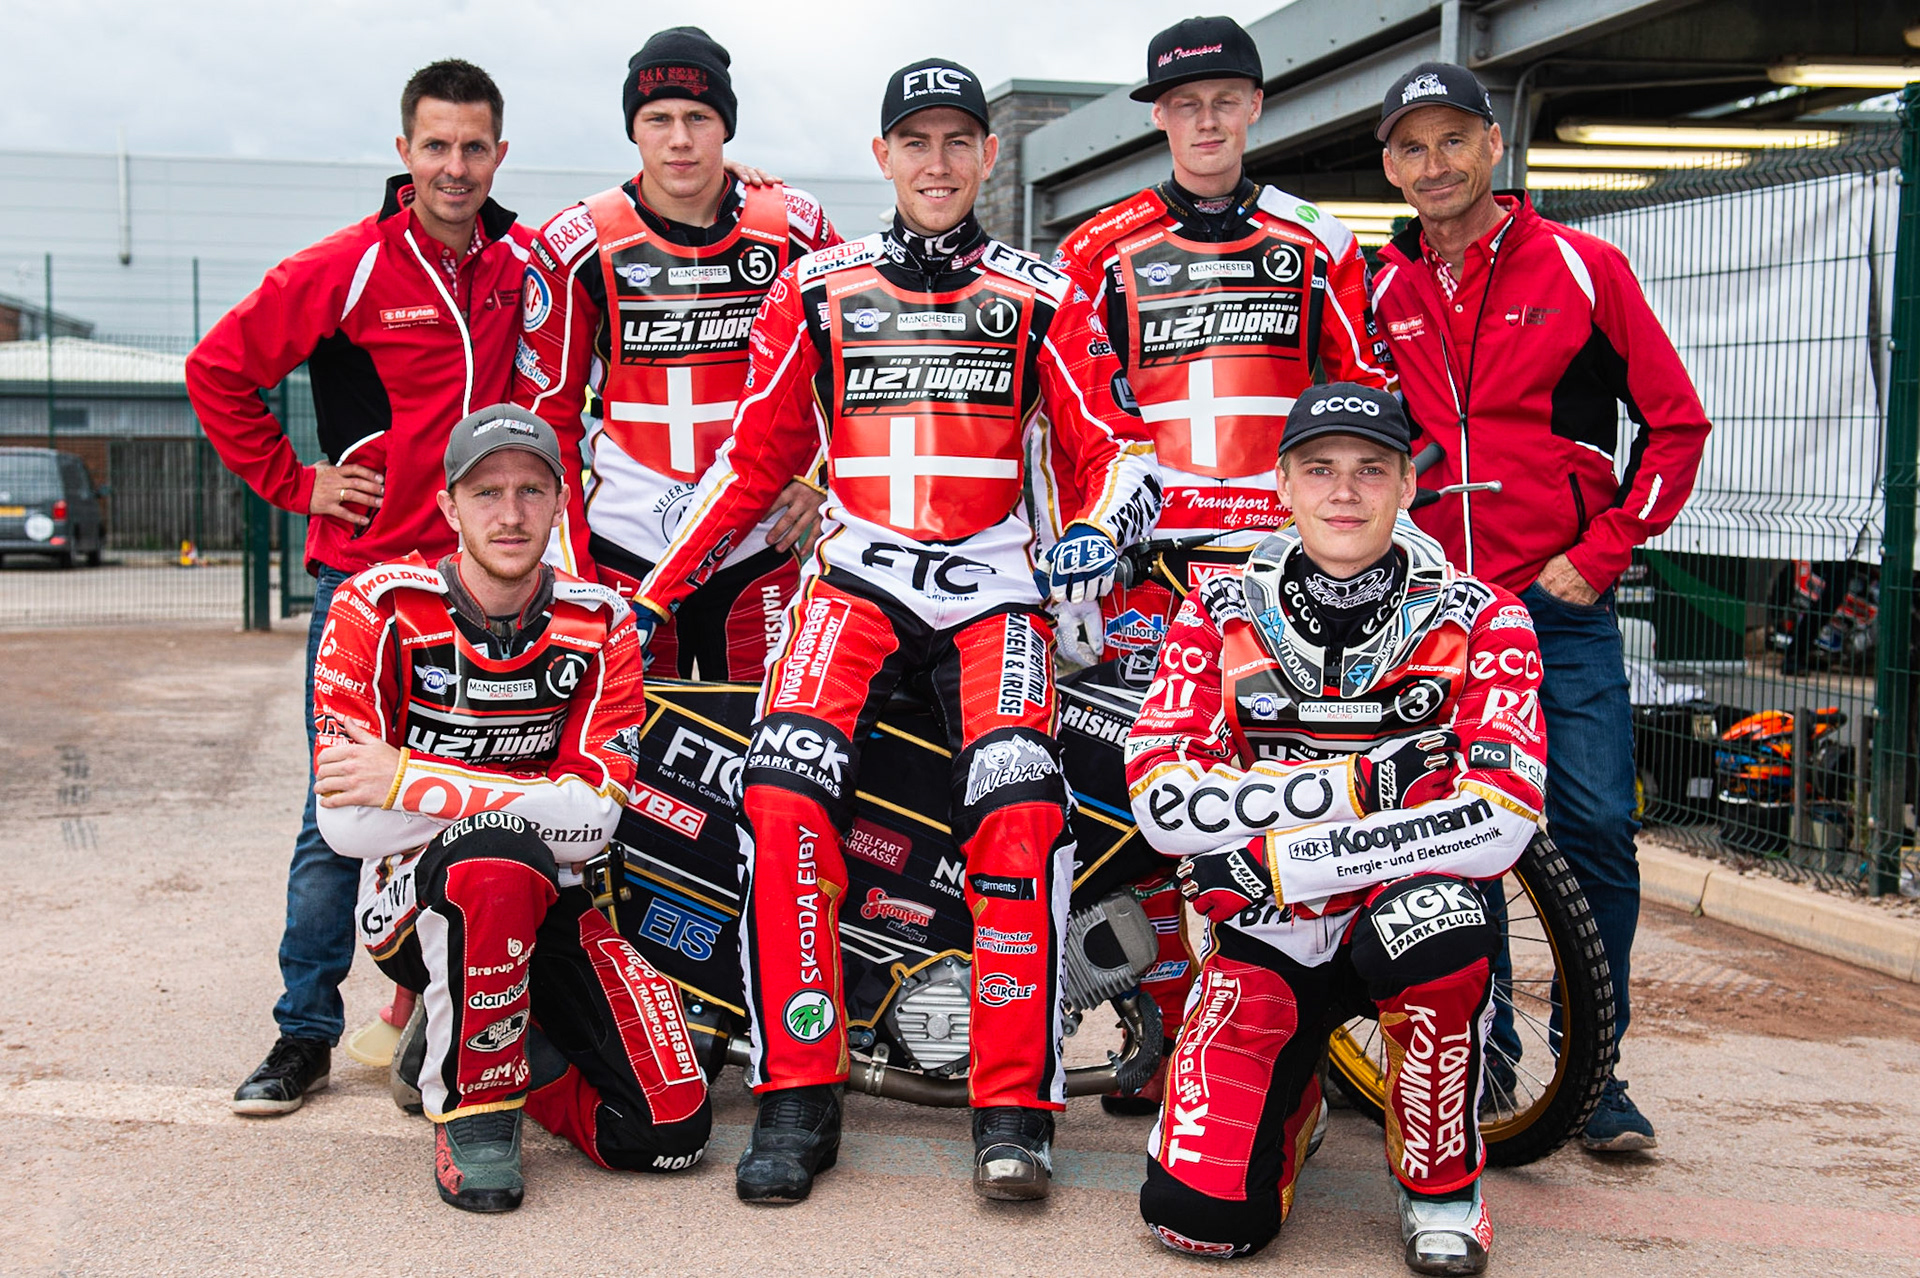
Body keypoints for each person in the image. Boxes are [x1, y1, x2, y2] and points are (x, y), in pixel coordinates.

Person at [632, 57, 1161, 1204]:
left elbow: (1116, 448)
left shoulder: (1040, 295)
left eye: (957, 141)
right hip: (857, 581)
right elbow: (754, 467)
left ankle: (1014, 1111)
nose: (936, 161)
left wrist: (1106, 527)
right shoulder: (817, 288)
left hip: (994, 593)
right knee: (780, 788)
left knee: (1023, 806)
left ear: (986, 157)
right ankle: (797, 1093)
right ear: (883, 158)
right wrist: (653, 597)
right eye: (913, 141)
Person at [1052, 12, 1391, 1119]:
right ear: (1157, 116)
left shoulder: (1318, 241)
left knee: (1312, 797)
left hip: (1292, 573)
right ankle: (1169, 1021)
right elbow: (1079, 410)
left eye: (1225, 100)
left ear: (1255, 106)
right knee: (1143, 800)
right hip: (1152, 573)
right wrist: (1101, 533)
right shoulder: (1098, 246)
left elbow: (1363, 402)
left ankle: (1318, 1016)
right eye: (1183, 104)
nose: (1204, 120)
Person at [1369, 61, 1711, 1153]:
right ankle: (1485, 1058)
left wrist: (1602, 552)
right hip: (1430, 613)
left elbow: (1676, 427)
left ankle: (1595, 1071)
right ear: (1391, 164)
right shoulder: (1379, 291)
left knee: (1597, 829)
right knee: (1448, 840)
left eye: (1453, 141)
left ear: (1494, 149)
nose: (1435, 165)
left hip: (1555, 607)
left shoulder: (1584, 265)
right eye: (1413, 148)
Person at [1126, 383, 1545, 1273]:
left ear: (1406, 487)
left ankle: (1442, 1187)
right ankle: (1299, 1099)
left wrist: (1282, 856)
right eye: (1321, 470)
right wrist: (1371, 783)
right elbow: (1164, 802)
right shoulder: (1216, 606)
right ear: (1282, 484)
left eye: (1371, 470)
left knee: (1437, 932)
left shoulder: (1487, 615)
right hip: (1270, 937)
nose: (1344, 493)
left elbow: (1501, 821)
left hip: (1388, 908)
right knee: (1196, 1222)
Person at [186, 59, 538, 1116]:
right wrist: (299, 483)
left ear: (499, 154)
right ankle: (302, 1035)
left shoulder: (523, 267)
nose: (456, 166)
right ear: (404, 154)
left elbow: (634, 222)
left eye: (475, 146)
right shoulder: (343, 267)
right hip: (369, 587)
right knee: (333, 808)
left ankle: (435, 1002)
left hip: (490, 583)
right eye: (436, 146)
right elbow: (217, 372)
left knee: (471, 795)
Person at [312, 404, 711, 1211]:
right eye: (486, 492)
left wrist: (404, 777)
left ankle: (487, 1037)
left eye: (532, 490)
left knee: (667, 1133)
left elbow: (596, 820)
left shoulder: (601, 622)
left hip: (558, 899)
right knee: (498, 854)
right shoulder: (373, 607)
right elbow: (347, 823)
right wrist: (534, 806)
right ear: (448, 507)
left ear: (561, 503)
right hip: (412, 903)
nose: (511, 512)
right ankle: (474, 1112)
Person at [514, 26, 840, 680]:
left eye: (700, 117)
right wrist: (571, 567)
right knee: (625, 747)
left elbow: (852, 372)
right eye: (657, 119)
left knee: (760, 742)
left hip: (756, 544)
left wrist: (819, 477)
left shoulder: (793, 226)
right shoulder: (577, 241)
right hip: (622, 548)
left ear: (728, 126)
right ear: (634, 130)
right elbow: (544, 419)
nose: (681, 139)